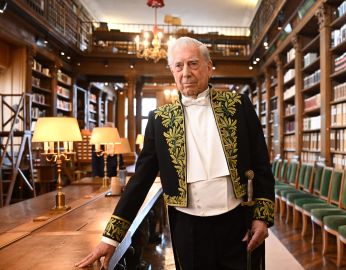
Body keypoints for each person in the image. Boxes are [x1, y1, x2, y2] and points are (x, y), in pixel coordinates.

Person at [76, 36, 275, 270]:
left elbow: (261, 163)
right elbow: (140, 181)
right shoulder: (159, 120)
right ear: (172, 71)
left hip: (236, 222)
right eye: (178, 66)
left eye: (193, 63)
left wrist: (261, 216)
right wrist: (110, 238)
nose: (186, 73)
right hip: (187, 227)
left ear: (209, 67)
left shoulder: (239, 105)